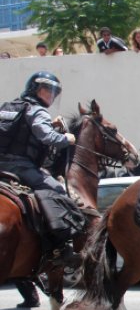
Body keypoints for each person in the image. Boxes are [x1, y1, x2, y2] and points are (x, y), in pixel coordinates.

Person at [0, 71, 83, 267]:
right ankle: (60, 247)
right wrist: (67, 138)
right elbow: (47, 137)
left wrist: (50, 124)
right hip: (21, 167)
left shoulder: (7, 107)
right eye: (48, 90)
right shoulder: (37, 111)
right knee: (56, 190)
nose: (51, 95)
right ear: (36, 89)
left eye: (54, 92)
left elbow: (21, 129)